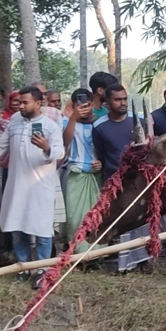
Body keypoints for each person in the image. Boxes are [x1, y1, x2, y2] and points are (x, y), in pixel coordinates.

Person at [0, 87, 65, 267]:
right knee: (17, 227)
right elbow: (0, 147)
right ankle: (24, 267)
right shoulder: (14, 121)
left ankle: (43, 269)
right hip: (15, 186)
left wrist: (46, 147)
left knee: (42, 230)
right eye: (19, 102)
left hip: (40, 187)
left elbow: (59, 152)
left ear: (38, 103)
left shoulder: (51, 126)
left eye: (25, 102)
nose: (21, 106)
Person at [63, 88, 104, 252]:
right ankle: (76, 252)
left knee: (96, 215)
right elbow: (65, 141)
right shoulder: (66, 122)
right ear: (73, 106)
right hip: (76, 175)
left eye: (87, 105)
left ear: (92, 104)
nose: (85, 109)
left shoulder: (99, 122)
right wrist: (73, 118)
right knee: (75, 217)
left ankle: (96, 254)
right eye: (80, 105)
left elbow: (104, 148)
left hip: (96, 175)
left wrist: (101, 162)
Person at [93, 85, 138, 181]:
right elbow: (100, 155)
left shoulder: (139, 120)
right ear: (108, 101)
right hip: (113, 181)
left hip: (138, 178)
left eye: (125, 99)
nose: (123, 103)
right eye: (117, 100)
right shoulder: (99, 126)